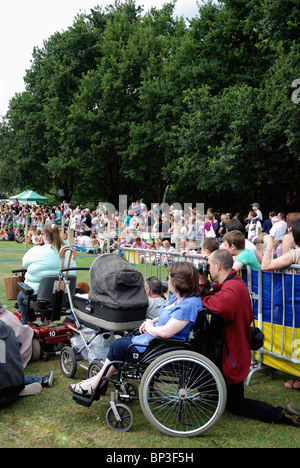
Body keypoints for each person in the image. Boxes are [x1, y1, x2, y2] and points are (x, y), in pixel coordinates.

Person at [70, 262, 202, 397]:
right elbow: (169, 316)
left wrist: (150, 328)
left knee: (119, 345)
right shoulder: (178, 297)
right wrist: (151, 321)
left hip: (163, 346)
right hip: (157, 341)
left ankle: (96, 383)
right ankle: (98, 381)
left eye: (169, 278)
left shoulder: (188, 305)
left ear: (178, 282)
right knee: (121, 344)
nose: (167, 281)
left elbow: (165, 332)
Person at [201, 249, 300, 426]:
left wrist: (202, 295)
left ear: (217, 265)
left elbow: (221, 306)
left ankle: (284, 415)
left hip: (233, 352)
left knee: (237, 405)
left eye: (208, 265)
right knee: (230, 397)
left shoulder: (232, 287)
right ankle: (215, 391)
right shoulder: (233, 282)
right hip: (232, 348)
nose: (207, 269)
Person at [17, 225, 76, 324]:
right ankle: (47, 321)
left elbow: (24, 265)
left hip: (38, 296)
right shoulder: (67, 252)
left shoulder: (36, 250)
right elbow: (73, 272)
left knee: (21, 296)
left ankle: (27, 323)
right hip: (63, 296)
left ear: (44, 236)